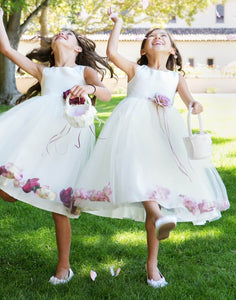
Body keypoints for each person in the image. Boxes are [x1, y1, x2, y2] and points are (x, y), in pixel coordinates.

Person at [0, 3, 113, 285]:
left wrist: (91, 89)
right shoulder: (44, 72)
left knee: (59, 205)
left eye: (67, 34)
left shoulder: (84, 72)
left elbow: (107, 93)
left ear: (78, 48)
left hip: (71, 139)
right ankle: (29, 186)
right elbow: (8, 52)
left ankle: (64, 266)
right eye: (58, 33)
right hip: (39, 135)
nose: (60, 35)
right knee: (7, 193)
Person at [70, 9, 230, 288]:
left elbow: (190, 101)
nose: (157, 38)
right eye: (151, 37)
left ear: (172, 50)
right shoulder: (136, 69)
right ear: (144, 48)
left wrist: (195, 105)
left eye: (163, 37)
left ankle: (152, 260)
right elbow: (112, 52)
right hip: (132, 130)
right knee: (140, 178)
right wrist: (118, 24)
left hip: (164, 134)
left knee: (153, 189)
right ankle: (157, 218)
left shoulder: (176, 78)